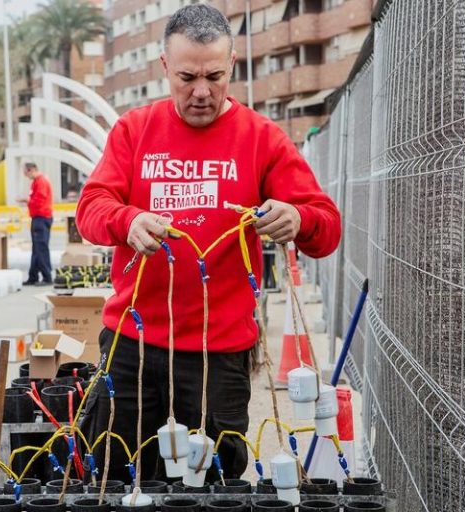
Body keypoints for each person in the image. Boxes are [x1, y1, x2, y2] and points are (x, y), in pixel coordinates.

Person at [75, 4, 342, 483]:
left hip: (217, 354)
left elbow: (326, 228)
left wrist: (296, 217)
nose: (201, 92)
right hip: (133, 345)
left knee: (213, 481)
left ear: (233, 64)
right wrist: (125, 219)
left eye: (215, 76)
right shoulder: (134, 132)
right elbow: (90, 209)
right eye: (187, 77)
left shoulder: (263, 139)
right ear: (164, 68)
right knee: (116, 474)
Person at [23, 162, 53, 285]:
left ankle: (47, 277)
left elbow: (39, 200)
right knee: (36, 248)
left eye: (26, 172)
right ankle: (33, 276)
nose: (25, 175)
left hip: (41, 217)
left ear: (32, 170)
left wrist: (27, 201)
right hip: (38, 218)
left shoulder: (41, 182)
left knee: (41, 248)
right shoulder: (37, 182)